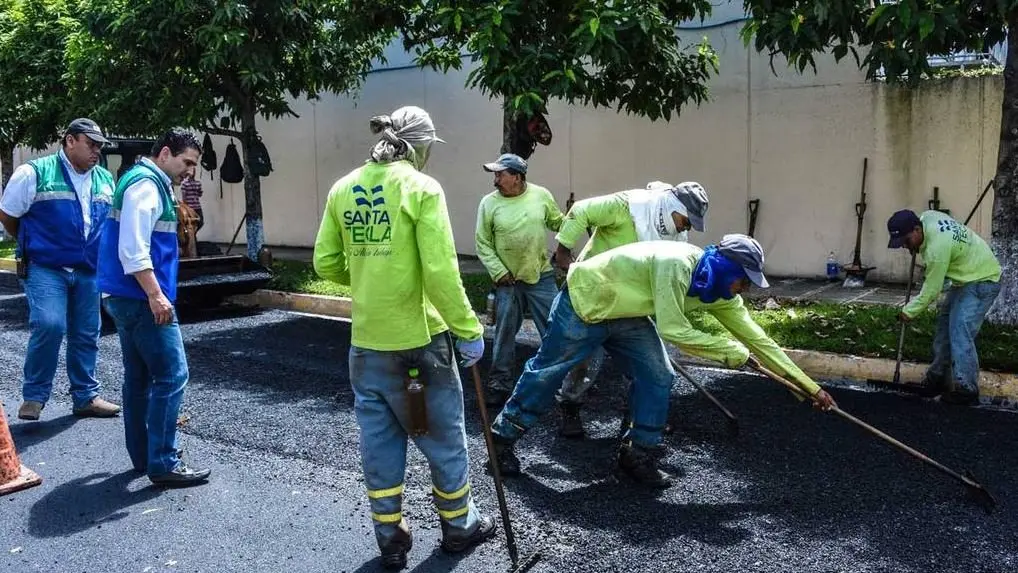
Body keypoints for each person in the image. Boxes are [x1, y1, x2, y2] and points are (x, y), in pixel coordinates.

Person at [488, 236, 836, 488]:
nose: (743, 289)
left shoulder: (720, 294)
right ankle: (502, 440)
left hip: (628, 314)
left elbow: (760, 342)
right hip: (586, 302)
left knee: (658, 374)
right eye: (742, 279)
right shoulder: (678, 264)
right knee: (548, 372)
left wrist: (810, 388)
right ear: (727, 267)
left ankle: (637, 453)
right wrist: (728, 352)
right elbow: (673, 328)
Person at [313, 106, 496, 570]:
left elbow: (325, 264)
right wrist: (469, 329)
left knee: (379, 441)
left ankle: (390, 538)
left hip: (368, 342)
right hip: (421, 341)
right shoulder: (421, 187)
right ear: (420, 146)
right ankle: (459, 526)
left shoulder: (343, 188)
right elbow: (439, 272)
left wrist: (370, 276)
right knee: (444, 438)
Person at [97, 129, 211, 487]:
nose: (189, 171)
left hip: (124, 297)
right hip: (142, 298)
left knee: (139, 379)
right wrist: (155, 294)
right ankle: (162, 462)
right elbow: (133, 247)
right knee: (172, 376)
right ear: (165, 153)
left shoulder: (139, 180)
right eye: (186, 162)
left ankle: (144, 456)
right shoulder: (146, 185)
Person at [551, 181, 710, 437]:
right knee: (584, 361)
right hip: (595, 296)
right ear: (673, 206)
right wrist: (563, 251)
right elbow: (581, 210)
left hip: (631, 303)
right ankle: (570, 406)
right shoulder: (627, 207)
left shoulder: (676, 234)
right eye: (686, 220)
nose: (686, 227)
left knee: (644, 366)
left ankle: (637, 418)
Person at [0, 118, 122, 421]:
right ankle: (34, 396)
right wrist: (35, 242)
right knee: (50, 324)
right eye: (91, 144)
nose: (96, 151)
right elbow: (8, 215)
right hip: (45, 266)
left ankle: (85, 397)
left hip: (88, 269)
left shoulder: (105, 178)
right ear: (70, 140)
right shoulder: (34, 172)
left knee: (86, 332)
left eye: (100, 146)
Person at [475, 152, 565, 406]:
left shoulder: (541, 195)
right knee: (504, 334)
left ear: (517, 177)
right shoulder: (488, 203)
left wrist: (573, 219)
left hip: (541, 276)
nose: (496, 178)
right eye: (495, 173)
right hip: (507, 281)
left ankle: (560, 382)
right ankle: (499, 383)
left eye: (500, 174)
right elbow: (482, 243)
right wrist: (498, 271)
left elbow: (558, 223)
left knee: (554, 329)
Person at [886, 209, 1001, 405]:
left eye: (906, 241)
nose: (906, 247)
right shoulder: (927, 216)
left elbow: (931, 290)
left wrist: (909, 311)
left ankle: (967, 389)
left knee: (959, 329)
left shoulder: (936, 250)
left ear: (917, 229)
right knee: (943, 326)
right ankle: (937, 378)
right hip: (965, 278)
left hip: (983, 280)